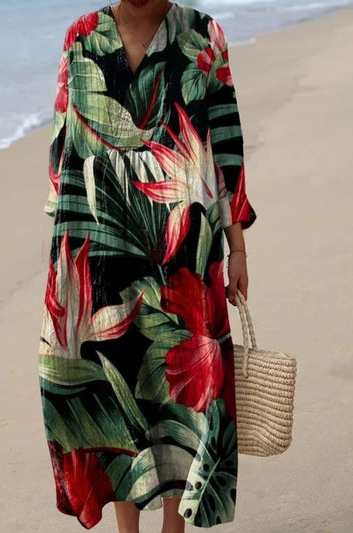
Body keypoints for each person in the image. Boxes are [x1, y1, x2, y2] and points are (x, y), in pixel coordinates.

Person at [38, 1, 256, 532]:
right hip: (100, 250)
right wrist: (63, 260)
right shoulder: (82, 37)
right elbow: (63, 150)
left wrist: (238, 246)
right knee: (114, 389)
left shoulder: (203, 35)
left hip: (184, 253)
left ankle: (173, 529)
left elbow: (226, 145)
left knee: (180, 395)